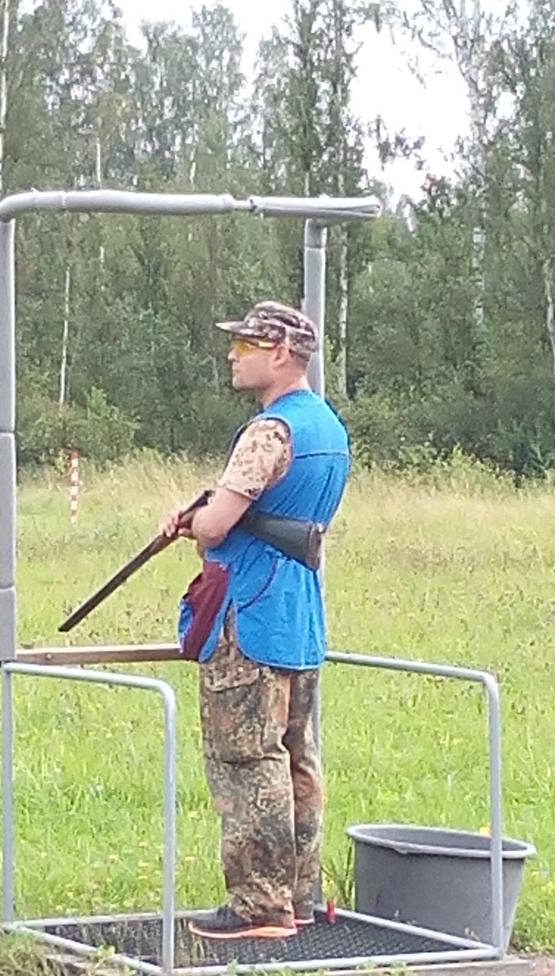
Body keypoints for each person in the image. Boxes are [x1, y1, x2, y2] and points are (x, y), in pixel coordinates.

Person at [161, 300, 350, 941]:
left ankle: (259, 906)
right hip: (298, 613)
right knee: (297, 759)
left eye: (246, 346)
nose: (233, 355)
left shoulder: (269, 432)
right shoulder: (328, 426)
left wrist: (194, 520)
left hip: (249, 614)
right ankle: (298, 896)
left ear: (281, 354)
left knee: (247, 760)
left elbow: (219, 525)